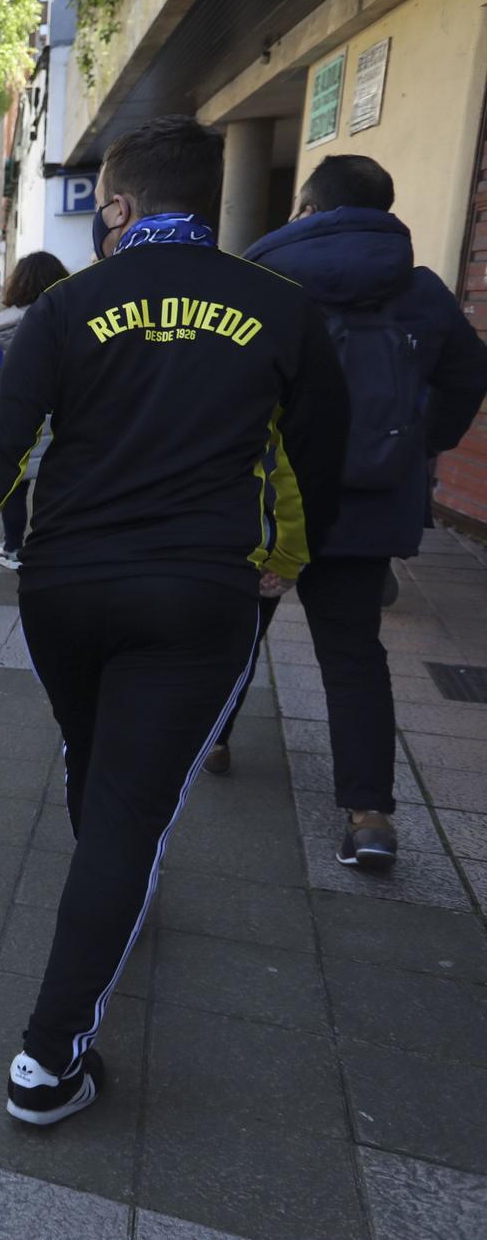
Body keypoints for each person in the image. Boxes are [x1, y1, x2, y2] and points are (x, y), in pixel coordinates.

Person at [0, 115, 349, 1128]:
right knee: (128, 816)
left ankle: (100, 894)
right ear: (204, 202)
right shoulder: (278, 306)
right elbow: (310, 461)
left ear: (114, 208)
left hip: (64, 590)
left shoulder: (69, 305)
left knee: (90, 753)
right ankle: (45, 1062)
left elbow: (2, 444)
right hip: (196, 596)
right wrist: (283, 565)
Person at [205, 155, 487, 863]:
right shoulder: (422, 291)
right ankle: (369, 816)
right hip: (365, 506)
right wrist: (419, 446)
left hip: (269, 499)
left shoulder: (260, 281)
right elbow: (467, 376)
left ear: (306, 208)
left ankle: (211, 738)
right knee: (354, 654)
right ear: (384, 211)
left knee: (238, 625)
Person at [0, 251, 73, 571]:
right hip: (63, 418)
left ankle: (14, 549)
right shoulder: (70, 315)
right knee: (54, 484)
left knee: (15, 490)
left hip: (18, 420)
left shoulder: (3, 326)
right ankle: (52, 546)